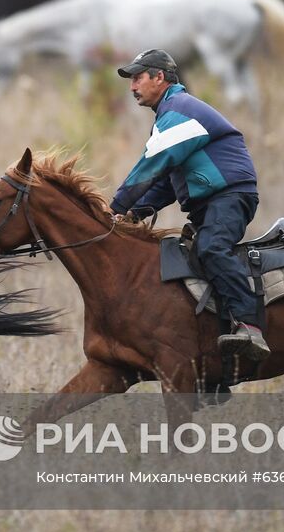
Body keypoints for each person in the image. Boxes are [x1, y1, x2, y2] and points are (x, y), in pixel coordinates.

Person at [107, 49, 270, 360]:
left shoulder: (179, 109)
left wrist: (115, 206)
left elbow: (152, 165)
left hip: (229, 198)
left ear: (159, 77)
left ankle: (250, 327)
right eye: (130, 80)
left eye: (138, 78)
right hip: (212, 203)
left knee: (211, 249)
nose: (132, 87)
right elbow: (167, 183)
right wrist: (133, 212)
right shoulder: (169, 115)